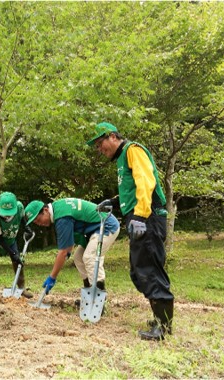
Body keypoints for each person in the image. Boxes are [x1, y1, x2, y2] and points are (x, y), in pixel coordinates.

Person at [87, 121, 174, 341]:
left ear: (113, 136)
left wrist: (141, 216)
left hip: (148, 218)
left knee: (148, 269)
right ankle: (160, 319)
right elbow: (132, 189)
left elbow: (146, 182)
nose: (100, 149)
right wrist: (114, 202)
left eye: (100, 143)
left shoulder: (132, 150)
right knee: (139, 270)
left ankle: (163, 327)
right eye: (97, 146)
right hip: (140, 217)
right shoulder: (122, 159)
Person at [24, 198, 120, 299]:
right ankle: (88, 296)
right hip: (93, 230)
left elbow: (63, 252)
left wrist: (52, 277)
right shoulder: (58, 209)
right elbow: (69, 244)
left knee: (90, 257)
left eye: (39, 220)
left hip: (106, 226)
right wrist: (68, 250)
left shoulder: (62, 217)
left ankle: (99, 299)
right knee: (78, 258)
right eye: (36, 222)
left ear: (45, 210)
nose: (39, 224)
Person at [0, 192, 34, 298]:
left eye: (10, 212)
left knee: (17, 258)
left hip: (8, 231)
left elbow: (23, 218)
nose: (7, 215)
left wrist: (27, 228)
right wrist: (12, 253)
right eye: (5, 212)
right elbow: (0, 239)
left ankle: (21, 288)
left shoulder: (19, 207)